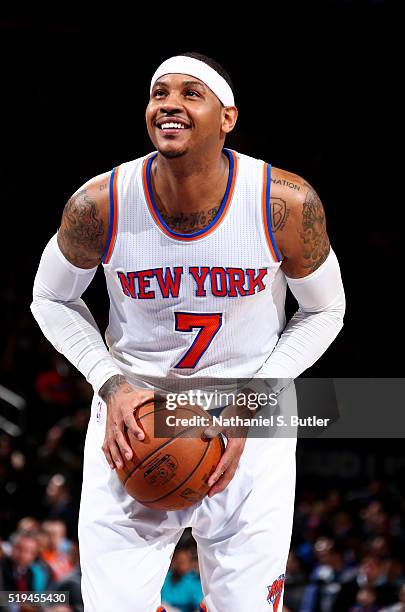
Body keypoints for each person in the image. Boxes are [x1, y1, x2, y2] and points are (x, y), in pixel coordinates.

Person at [31, 52, 345, 612]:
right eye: (159, 93)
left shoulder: (284, 204)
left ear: (228, 117)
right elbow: (50, 298)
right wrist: (109, 383)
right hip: (135, 416)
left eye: (189, 93)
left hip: (249, 412)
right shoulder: (99, 204)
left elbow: (326, 311)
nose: (169, 103)